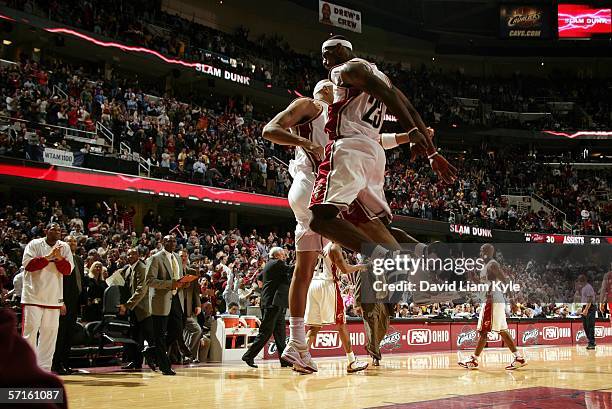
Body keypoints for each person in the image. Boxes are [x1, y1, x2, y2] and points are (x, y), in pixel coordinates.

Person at [263, 78, 424, 373]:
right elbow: (270, 129)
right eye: (332, 86)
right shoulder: (311, 106)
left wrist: (408, 136)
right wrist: (305, 142)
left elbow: (377, 141)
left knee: (305, 269)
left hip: (305, 191)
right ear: (322, 90)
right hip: (313, 184)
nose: (338, 89)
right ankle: (398, 256)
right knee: (368, 226)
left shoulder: (342, 119)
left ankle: (297, 345)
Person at [308, 35, 456, 257]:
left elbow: (387, 97)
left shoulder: (346, 69)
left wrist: (413, 132)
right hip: (374, 153)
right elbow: (413, 112)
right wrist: (432, 152)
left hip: (349, 147)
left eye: (325, 55)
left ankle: (384, 257)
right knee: (374, 225)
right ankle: (421, 252)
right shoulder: (383, 77)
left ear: (339, 49)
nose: (324, 62)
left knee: (320, 221)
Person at [458, 244, 526, 370]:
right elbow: (484, 284)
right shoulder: (486, 266)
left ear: (488, 251)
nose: (480, 252)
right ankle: (518, 357)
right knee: (502, 331)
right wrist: (473, 278)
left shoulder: (492, 264)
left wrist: (512, 300)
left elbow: (505, 281)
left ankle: (473, 360)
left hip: (492, 300)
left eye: (482, 250)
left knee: (484, 331)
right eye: (480, 250)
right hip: (493, 299)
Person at [305, 242, 368, 374]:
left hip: (313, 285)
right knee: (341, 324)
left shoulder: (316, 246)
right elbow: (345, 269)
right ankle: (352, 362)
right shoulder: (334, 247)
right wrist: (361, 266)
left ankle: (301, 360)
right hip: (328, 285)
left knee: (314, 326)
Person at [21, 222, 74, 371]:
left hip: (53, 298)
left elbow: (68, 270)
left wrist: (58, 259)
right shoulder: (34, 244)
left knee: (49, 336)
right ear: (46, 230)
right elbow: (28, 265)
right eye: (53, 228)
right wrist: (48, 257)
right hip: (33, 296)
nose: (57, 231)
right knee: (29, 333)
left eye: (59, 229)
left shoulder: (64, 247)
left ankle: (44, 369)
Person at [241, 247, 292, 369]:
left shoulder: (270, 265)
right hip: (272, 303)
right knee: (266, 332)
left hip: (276, 303)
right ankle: (248, 355)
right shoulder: (276, 263)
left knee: (280, 334)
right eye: (283, 254)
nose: (284, 256)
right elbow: (293, 269)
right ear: (276, 255)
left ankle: (284, 360)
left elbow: (259, 277)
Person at [146, 235, 188, 375]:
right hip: (160, 300)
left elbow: (178, 278)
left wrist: (183, 283)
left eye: (174, 241)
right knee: (159, 335)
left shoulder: (176, 257)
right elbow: (150, 281)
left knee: (177, 330)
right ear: (163, 242)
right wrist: (170, 284)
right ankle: (164, 366)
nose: (173, 243)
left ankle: (152, 351)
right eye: (169, 240)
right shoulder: (155, 258)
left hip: (176, 297)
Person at [118, 248, 157, 371]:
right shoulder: (129, 268)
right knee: (135, 337)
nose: (130, 256)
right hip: (135, 309)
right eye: (128, 254)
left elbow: (141, 290)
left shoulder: (142, 267)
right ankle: (136, 361)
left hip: (144, 309)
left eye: (133, 254)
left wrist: (127, 305)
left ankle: (157, 361)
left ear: (139, 255)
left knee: (150, 336)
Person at [52, 235, 83, 375]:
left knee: (69, 334)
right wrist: (60, 301)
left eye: (74, 241)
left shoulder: (79, 260)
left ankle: (65, 364)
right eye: (69, 241)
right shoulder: (59, 260)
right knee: (60, 335)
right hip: (63, 302)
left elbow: (80, 282)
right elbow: (57, 283)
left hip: (75, 302)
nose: (72, 243)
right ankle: (55, 365)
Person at [180, 249, 203, 362]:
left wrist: (198, 305)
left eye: (184, 256)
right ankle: (186, 355)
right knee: (184, 334)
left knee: (196, 330)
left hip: (188, 309)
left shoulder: (192, 272)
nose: (183, 258)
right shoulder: (175, 271)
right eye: (180, 256)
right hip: (176, 309)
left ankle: (188, 355)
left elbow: (195, 291)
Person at [578, 274, 597, 350]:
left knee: (590, 326)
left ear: (583, 280)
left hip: (590, 308)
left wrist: (586, 309)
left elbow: (589, 299)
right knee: (586, 326)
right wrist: (581, 308)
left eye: (580, 281)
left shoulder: (588, 287)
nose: (579, 283)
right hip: (585, 307)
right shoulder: (583, 288)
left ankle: (591, 343)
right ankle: (591, 341)